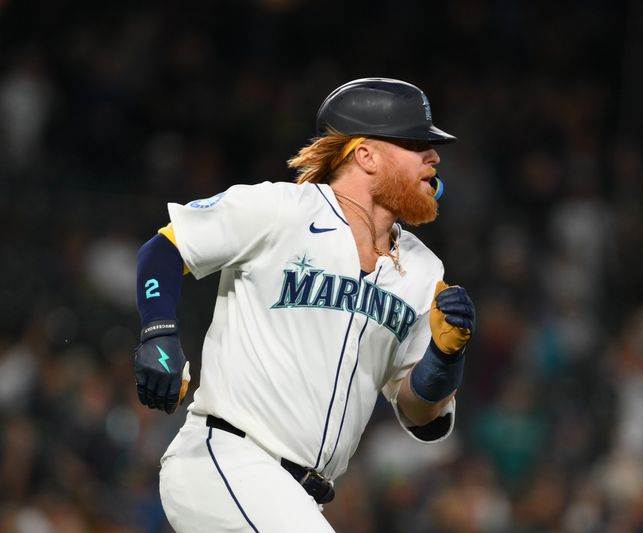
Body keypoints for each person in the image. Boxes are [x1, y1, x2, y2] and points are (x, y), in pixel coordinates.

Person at [133, 77, 476, 532]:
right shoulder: (281, 210)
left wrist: (445, 355)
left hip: (300, 498)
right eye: (416, 143)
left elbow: (421, 416)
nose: (433, 157)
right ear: (366, 155)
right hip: (228, 461)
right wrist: (159, 331)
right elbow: (164, 250)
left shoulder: (423, 269)